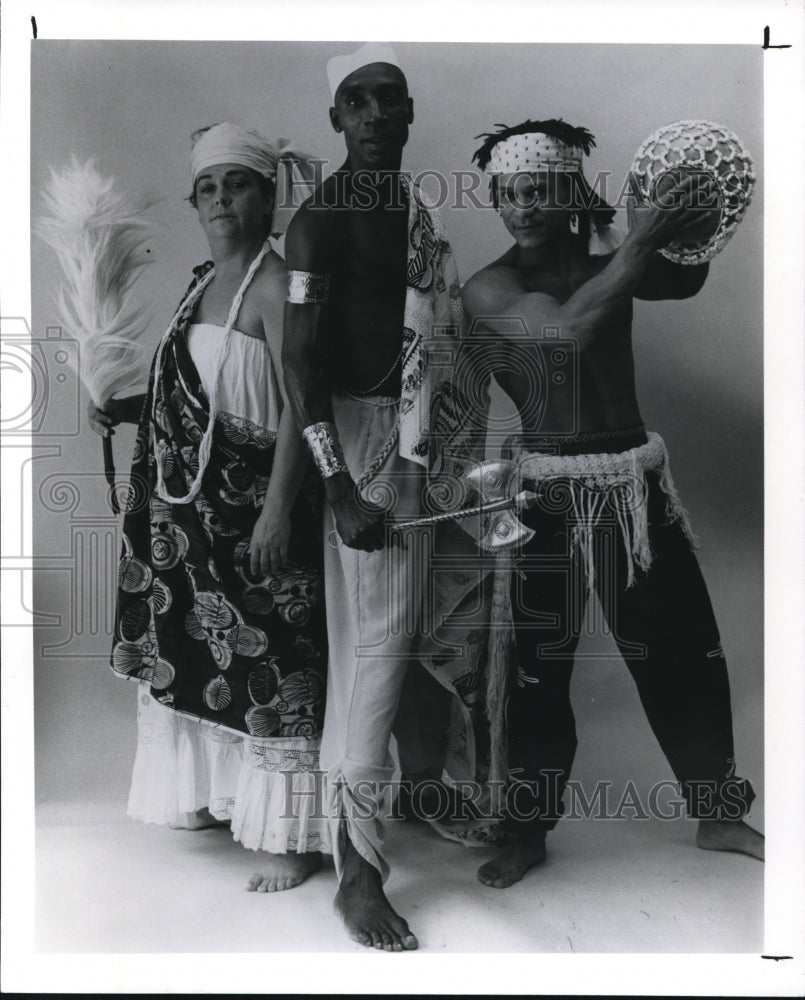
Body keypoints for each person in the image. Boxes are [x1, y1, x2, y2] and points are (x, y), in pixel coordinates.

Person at [460, 118, 764, 889]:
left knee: (682, 650)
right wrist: (634, 243)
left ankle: (717, 811)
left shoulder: (607, 260)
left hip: (629, 482)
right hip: (544, 490)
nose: (521, 208)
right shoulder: (489, 287)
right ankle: (526, 829)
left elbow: (685, 275)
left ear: (565, 192)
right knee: (535, 669)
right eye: (508, 194)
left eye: (537, 191)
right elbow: (563, 331)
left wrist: (671, 213)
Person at [281, 43, 489, 951]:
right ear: (336, 119)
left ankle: (409, 798)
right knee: (374, 653)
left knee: (414, 643)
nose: (373, 116)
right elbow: (298, 362)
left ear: (408, 114)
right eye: (355, 103)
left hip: (423, 441)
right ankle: (357, 875)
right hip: (363, 450)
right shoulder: (319, 221)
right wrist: (336, 485)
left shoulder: (408, 206)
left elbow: (429, 328)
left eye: (388, 101)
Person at [87, 122, 330, 893]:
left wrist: (276, 512)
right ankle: (224, 801)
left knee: (275, 658)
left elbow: (300, 406)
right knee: (198, 650)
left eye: (239, 184)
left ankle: (293, 839)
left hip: (256, 506)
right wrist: (125, 406)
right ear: (196, 202)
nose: (222, 198)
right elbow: (191, 387)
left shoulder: (279, 283)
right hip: (186, 519)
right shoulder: (200, 282)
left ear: (269, 194)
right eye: (208, 187)